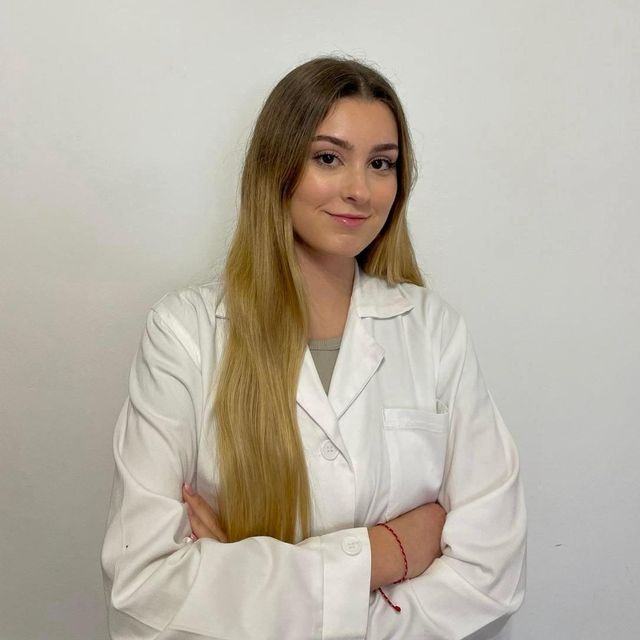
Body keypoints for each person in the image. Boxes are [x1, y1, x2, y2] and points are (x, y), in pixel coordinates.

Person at [101, 56, 526, 639]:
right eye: (328, 158)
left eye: (381, 163)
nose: (359, 190)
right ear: (277, 167)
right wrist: (387, 552)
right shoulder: (183, 333)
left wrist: (240, 583)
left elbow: (490, 578)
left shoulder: (434, 330)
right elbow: (144, 589)